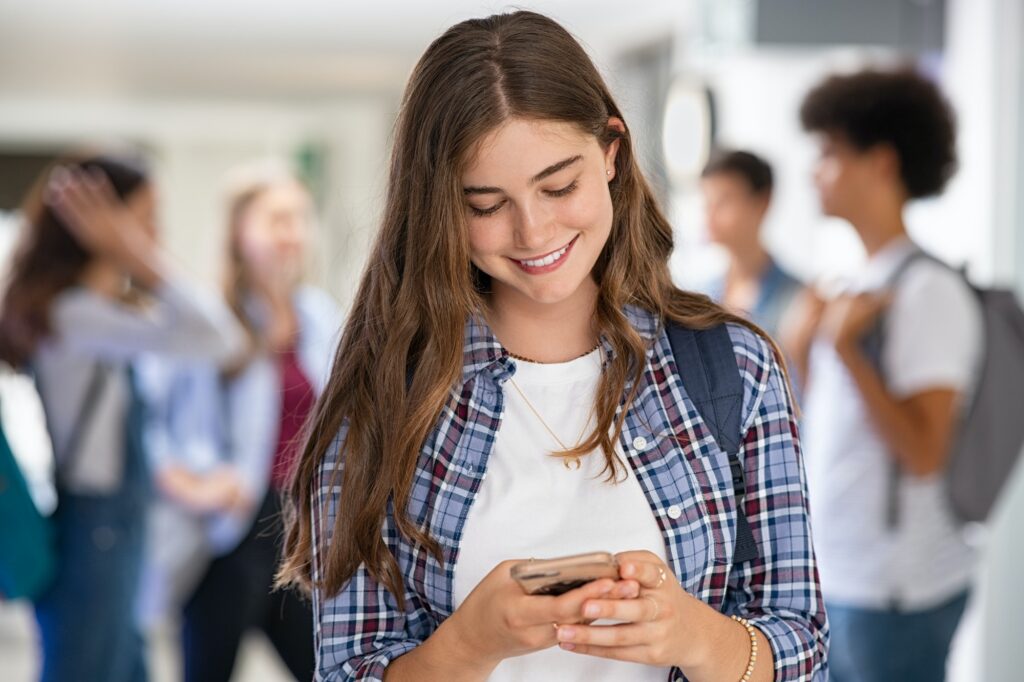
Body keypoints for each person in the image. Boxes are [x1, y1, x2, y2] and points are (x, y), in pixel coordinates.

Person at [278, 11, 828, 682]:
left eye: (558, 185)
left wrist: (690, 633)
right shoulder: (385, 394)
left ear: (612, 154)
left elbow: (802, 646)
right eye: (485, 205)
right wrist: (469, 646)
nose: (533, 231)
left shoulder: (734, 367)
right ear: (440, 207)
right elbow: (344, 670)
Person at [0, 153, 245, 682]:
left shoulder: (97, 314)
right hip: (97, 533)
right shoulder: (76, 316)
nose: (154, 230)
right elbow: (218, 338)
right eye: (144, 214)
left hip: (112, 533)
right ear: (99, 220)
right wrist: (135, 254)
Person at [786, 68, 981, 682]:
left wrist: (845, 352)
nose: (815, 172)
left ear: (880, 163)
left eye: (830, 154)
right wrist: (801, 347)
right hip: (843, 578)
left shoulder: (927, 292)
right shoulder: (859, 285)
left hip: (895, 591)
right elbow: (837, 430)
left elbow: (924, 450)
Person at [141, 162, 340, 682]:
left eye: (299, 218)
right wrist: (191, 484)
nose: (292, 233)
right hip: (225, 533)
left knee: (325, 669)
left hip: (299, 532)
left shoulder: (318, 316)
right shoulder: (207, 320)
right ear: (238, 230)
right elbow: (148, 424)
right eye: (276, 219)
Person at [699, 150, 801, 340]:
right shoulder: (700, 295)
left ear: (762, 202)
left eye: (723, 201)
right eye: (707, 203)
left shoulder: (797, 298)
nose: (710, 215)